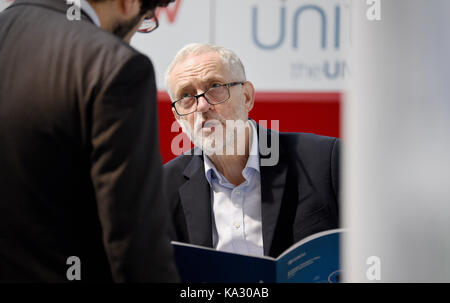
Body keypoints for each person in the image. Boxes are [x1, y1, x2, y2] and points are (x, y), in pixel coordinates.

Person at [0, 0, 179, 282]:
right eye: (145, 20)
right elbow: (137, 250)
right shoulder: (114, 66)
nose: (133, 37)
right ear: (129, 3)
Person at [164, 43, 340, 258]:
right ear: (178, 118)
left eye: (215, 86)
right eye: (186, 96)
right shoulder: (162, 189)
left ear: (247, 97)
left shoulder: (325, 161)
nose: (202, 106)